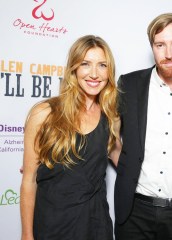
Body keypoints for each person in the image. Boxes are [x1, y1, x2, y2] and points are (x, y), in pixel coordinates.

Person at [114, 13, 172, 240]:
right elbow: (108, 134)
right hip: (135, 211)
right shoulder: (129, 84)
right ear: (152, 47)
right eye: (160, 45)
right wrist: (127, 167)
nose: (168, 53)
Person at [20, 35, 121, 240]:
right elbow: (29, 180)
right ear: (74, 68)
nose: (94, 73)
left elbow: (123, 161)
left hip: (96, 225)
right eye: (85, 64)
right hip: (53, 225)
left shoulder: (110, 117)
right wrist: (27, 235)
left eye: (102, 65)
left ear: (109, 71)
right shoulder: (45, 113)